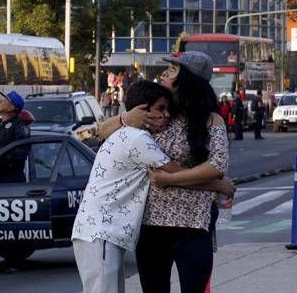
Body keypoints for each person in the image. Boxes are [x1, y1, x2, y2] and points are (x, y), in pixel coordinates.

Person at [72, 81, 234, 293]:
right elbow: (172, 172)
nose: (166, 115)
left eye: (168, 109)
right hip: (101, 232)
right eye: (160, 109)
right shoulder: (138, 138)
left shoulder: (126, 133)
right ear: (141, 110)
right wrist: (218, 185)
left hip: (103, 232)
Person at [0, 90, 29, 178]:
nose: (0, 101)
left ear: (11, 108)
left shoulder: (20, 127)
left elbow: (21, 152)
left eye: (4, 100)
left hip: (9, 181)